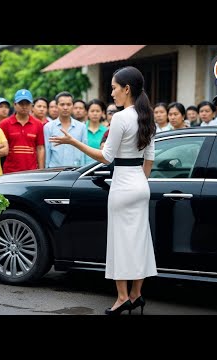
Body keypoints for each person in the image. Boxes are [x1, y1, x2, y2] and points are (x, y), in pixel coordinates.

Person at [49, 66, 157, 315]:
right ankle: (136, 294)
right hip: (141, 185)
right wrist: (139, 182)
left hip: (123, 185)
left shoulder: (120, 118)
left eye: (114, 88)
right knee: (139, 241)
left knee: (120, 243)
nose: (112, 93)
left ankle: (122, 298)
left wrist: (74, 141)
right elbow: (149, 159)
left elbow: (106, 157)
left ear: (127, 89)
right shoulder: (147, 116)